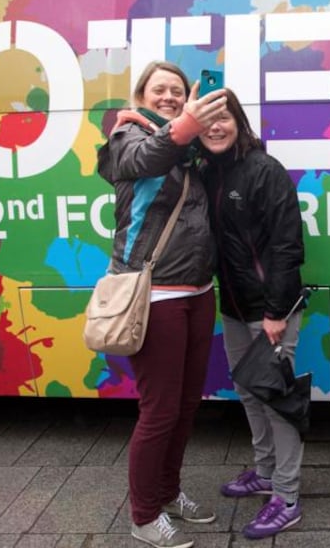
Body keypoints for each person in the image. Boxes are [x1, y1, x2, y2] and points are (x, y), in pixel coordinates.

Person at [97, 60, 227, 548]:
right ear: (142, 96)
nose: (169, 96)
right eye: (160, 90)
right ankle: (144, 515)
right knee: (159, 411)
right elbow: (147, 159)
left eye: (177, 90)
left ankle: (169, 493)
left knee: (186, 405)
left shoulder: (188, 148)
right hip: (155, 298)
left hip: (197, 293)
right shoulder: (128, 138)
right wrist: (188, 123)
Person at [198, 89, 307, 539]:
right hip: (234, 306)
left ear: (239, 121)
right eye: (207, 122)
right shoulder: (207, 173)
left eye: (224, 118)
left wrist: (276, 310)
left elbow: (288, 245)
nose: (216, 127)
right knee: (248, 391)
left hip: (269, 311)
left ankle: (287, 495)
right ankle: (264, 472)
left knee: (278, 402)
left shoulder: (265, 170)